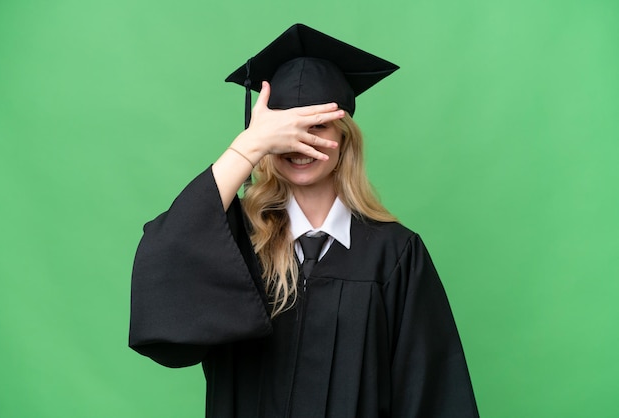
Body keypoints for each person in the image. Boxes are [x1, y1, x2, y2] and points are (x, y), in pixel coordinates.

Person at [129, 23, 479, 418]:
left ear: (344, 137)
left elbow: (431, 394)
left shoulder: (394, 254)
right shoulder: (237, 241)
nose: (301, 143)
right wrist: (249, 145)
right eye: (287, 129)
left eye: (317, 127)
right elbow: (164, 269)